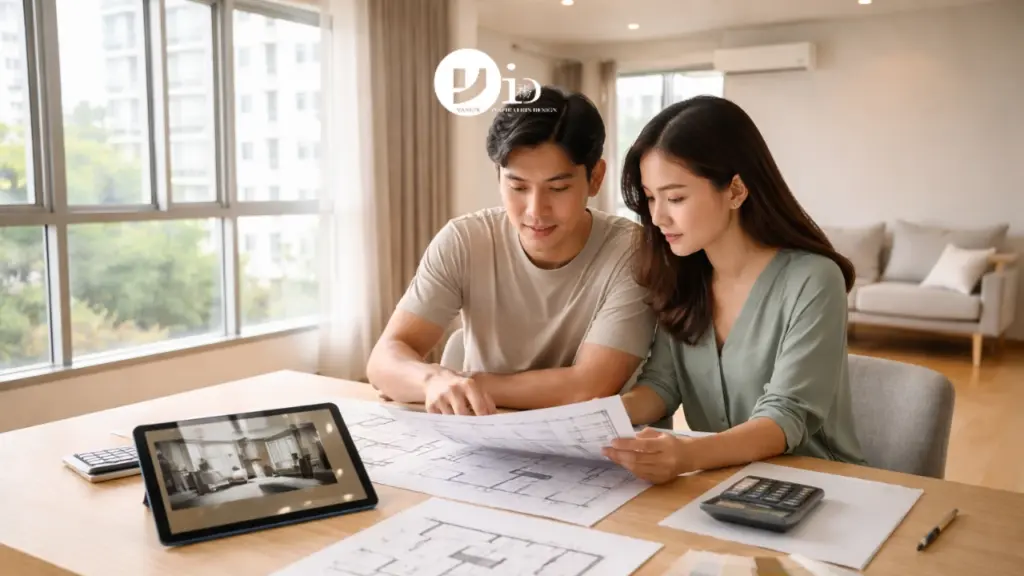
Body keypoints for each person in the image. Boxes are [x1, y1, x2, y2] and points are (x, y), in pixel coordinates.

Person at [601, 95, 867, 484]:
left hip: (821, 489)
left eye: (675, 197)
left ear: (736, 191)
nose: (657, 217)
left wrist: (687, 454)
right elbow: (662, 384)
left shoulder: (813, 280)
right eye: (652, 197)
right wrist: (592, 419)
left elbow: (784, 417)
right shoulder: (681, 275)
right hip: (721, 484)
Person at [366, 85, 656, 416]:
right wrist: (431, 379)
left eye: (558, 188)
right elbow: (384, 359)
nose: (536, 210)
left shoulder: (632, 252)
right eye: (517, 187)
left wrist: (463, 383)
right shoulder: (465, 240)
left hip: (584, 447)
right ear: (498, 176)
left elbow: (587, 387)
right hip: (481, 433)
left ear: (595, 178)